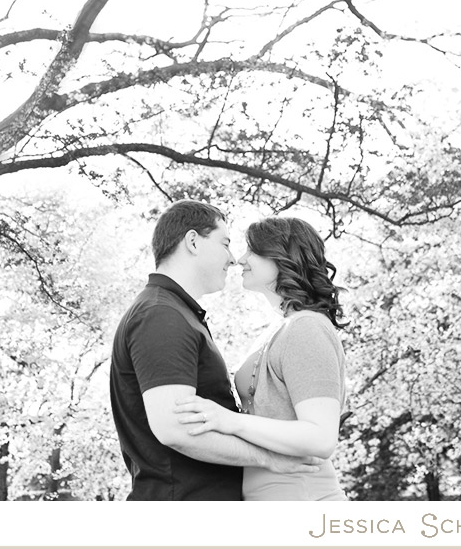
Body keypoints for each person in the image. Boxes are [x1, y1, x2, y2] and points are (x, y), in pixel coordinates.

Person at [109, 200, 322, 501]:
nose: (233, 259)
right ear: (193, 242)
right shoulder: (160, 315)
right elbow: (175, 428)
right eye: (225, 244)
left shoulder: (175, 313)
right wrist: (267, 458)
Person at [173, 216, 348, 501]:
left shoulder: (307, 328)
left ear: (282, 257)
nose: (240, 259)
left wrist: (230, 421)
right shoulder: (280, 328)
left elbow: (321, 437)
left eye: (252, 250)